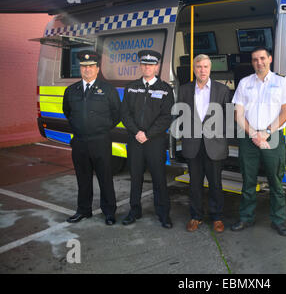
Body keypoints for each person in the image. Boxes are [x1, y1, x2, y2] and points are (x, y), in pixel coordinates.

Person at [231, 47, 286, 236]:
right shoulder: (244, 83)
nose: (259, 62)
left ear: (270, 59)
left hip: (272, 137)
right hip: (248, 137)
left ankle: (278, 221)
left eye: (262, 58)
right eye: (255, 60)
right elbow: (238, 114)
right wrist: (253, 134)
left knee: (275, 180)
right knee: (248, 180)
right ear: (252, 63)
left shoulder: (281, 82)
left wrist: (265, 133)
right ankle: (246, 218)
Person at [62, 50, 121, 225]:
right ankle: (83, 210)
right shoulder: (71, 90)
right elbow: (68, 112)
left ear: (97, 68)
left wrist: (101, 129)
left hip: (100, 141)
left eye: (91, 67)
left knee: (105, 178)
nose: (87, 70)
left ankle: (109, 212)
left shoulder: (108, 90)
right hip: (79, 141)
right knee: (83, 178)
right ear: (80, 69)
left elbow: (116, 114)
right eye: (84, 67)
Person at [177, 54, 231, 233]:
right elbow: (180, 116)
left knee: (216, 184)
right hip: (193, 144)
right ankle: (196, 216)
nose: (202, 70)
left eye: (206, 67)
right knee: (194, 184)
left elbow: (229, 119)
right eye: (199, 67)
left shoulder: (222, 90)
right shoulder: (184, 90)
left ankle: (217, 218)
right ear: (194, 69)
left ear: (210, 68)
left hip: (214, 145)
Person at [120, 50, 174, 228]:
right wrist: (137, 132)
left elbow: (166, 117)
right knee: (135, 177)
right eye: (144, 64)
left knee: (159, 178)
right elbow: (125, 114)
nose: (147, 67)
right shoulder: (131, 87)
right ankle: (134, 210)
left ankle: (163, 214)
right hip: (135, 140)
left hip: (155, 141)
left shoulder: (166, 89)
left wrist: (148, 134)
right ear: (140, 66)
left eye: (151, 65)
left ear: (157, 67)